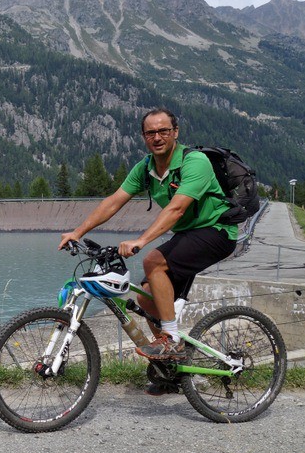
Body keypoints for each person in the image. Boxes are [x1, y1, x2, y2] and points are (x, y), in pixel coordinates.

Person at [57, 108, 238, 394]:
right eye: (151, 132)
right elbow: (115, 200)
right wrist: (78, 232)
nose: (157, 137)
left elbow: (177, 208)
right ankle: (170, 370)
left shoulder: (195, 162)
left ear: (175, 132)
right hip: (189, 234)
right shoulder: (146, 167)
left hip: (216, 232)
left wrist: (141, 240)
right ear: (143, 137)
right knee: (148, 294)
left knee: (154, 261)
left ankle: (171, 340)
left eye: (163, 131)